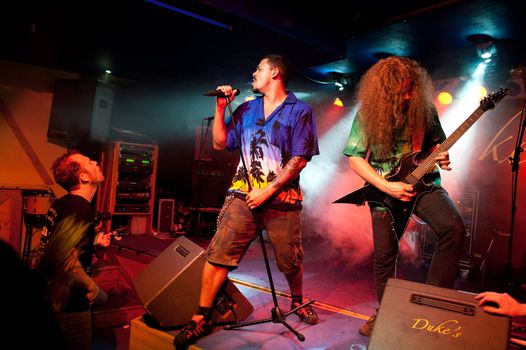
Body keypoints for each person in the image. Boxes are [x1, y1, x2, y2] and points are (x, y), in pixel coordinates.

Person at [174, 54, 320, 349]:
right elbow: (218, 143)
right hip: (242, 194)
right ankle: (200, 318)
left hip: (282, 199)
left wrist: (268, 191)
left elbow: (299, 159)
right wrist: (219, 107)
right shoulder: (245, 109)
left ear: (275, 73)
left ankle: (297, 301)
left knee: (290, 260)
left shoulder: (299, 110)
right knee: (218, 255)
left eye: (259, 69)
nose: (253, 73)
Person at [342, 56, 466, 337]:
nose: (409, 95)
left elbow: (436, 145)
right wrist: (387, 187)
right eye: (402, 90)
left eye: (412, 88)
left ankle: (435, 304)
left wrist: (442, 156)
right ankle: (385, 312)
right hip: (385, 187)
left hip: (422, 183)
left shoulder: (424, 110)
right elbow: (355, 159)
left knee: (453, 228)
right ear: (385, 90)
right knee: (385, 255)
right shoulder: (368, 114)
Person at [38, 150, 112, 350]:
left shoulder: (63, 204)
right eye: (89, 161)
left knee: (103, 299)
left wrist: (94, 241)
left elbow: (61, 244)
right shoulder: (80, 209)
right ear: (84, 177)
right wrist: (91, 286)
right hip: (69, 300)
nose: (95, 161)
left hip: (52, 293)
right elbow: (65, 258)